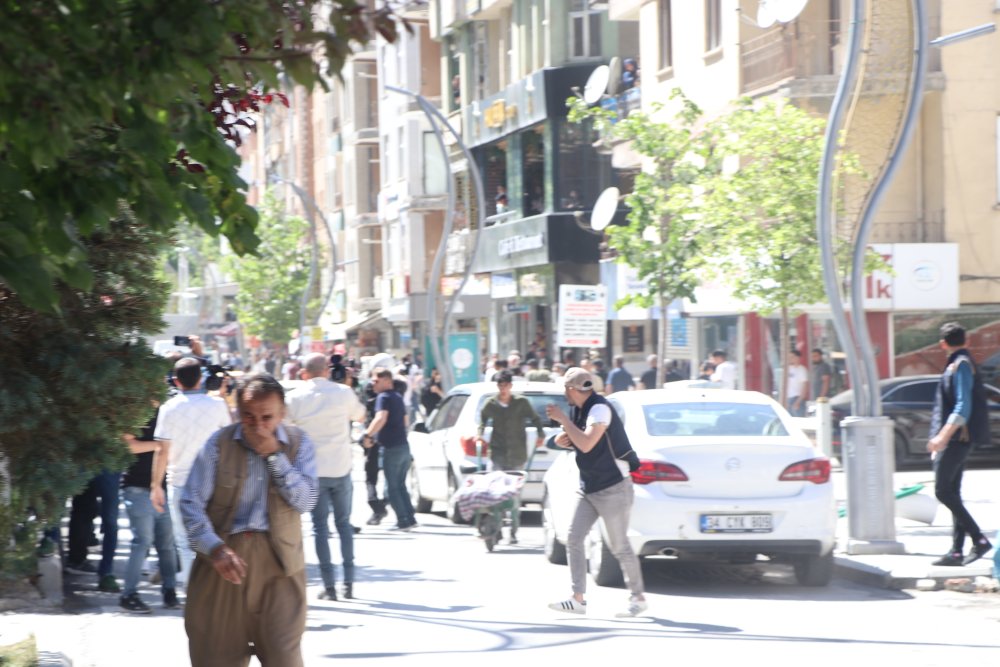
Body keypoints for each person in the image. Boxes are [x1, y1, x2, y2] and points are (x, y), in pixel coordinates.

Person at [180, 374, 318, 667]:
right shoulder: (218, 444)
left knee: (284, 656)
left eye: (267, 417)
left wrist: (274, 456)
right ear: (236, 412)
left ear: (283, 414)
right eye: (248, 416)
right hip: (222, 563)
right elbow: (191, 502)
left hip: (280, 566)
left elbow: (305, 501)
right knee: (215, 655)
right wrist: (214, 548)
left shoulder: (298, 443)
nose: (258, 425)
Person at [544, 368, 647, 618]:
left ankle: (638, 597)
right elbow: (579, 439)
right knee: (573, 538)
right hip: (590, 487)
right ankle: (577, 598)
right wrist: (563, 436)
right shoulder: (578, 409)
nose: (563, 394)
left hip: (613, 487)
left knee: (619, 545)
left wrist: (564, 423)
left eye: (565, 389)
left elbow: (588, 442)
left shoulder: (600, 409)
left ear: (571, 390)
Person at [285, 353, 367, 601]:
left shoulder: (295, 397)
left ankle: (329, 586)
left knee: (320, 529)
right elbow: (360, 415)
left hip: (312, 472)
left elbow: (285, 426)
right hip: (341, 468)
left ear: (305, 372)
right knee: (344, 525)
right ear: (328, 370)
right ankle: (349, 583)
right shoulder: (343, 392)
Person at [154, 357, 233, 590]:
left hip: (179, 483)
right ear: (201, 378)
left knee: (185, 541)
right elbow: (229, 443)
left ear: (176, 381)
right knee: (216, 538)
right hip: (214, 483)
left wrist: (155, 485)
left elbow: (162, 452)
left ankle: (193, 594)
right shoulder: (218, 406)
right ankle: (216, 592)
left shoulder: (168, 409)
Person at [927, 322, 993, 567]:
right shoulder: (958, 362)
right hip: (956, 439)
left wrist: (942, 437)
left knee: (942, 491)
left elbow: (962, 407)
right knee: (953, 493)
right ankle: (956, 551)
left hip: (956, 439)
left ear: (942, 344)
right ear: (966, 341)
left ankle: (979, 539)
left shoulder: (961, 364)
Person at [119, 409, 180, 613]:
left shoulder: (167, 411)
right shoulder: (135, 412)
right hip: (136, 488)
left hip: (160, 489)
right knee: (142, 542)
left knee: (167, 544)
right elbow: (127, 445)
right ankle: (128, 595)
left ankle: (170, 592)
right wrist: (158, 445)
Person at [476, 371, 546, 544]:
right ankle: (495, 526)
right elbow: (483, 421)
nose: (503, 389)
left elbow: (536, 419)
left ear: (511, 386)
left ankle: (514, 530)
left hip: (517, 454)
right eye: (500, 386)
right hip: (497, 453)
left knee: (513, 496)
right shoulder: (490, 404)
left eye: (506, 385)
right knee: (494, 492)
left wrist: (540, 434)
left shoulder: (521, 403)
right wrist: (479, 434)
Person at [362, 369, 416, 531]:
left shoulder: (383, 397)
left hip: (391, 448)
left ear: (387, 381)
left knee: (392, 488)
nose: (373, 384)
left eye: (376, 381)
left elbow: (380, 418)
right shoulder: (398, 397)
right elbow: (406, 421)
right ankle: (410, 518)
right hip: (403, 446)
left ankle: (403, 521)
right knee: (400, 485)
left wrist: (368, 434)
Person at [65, 469, 122, 593]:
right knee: (83, 509)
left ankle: (106, 573)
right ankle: (77, 560)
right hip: (86, 461)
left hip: (110, 463)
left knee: (110, 521)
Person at [785, 350, 808, 417]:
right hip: (788, 399)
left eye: (792, 357)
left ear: (797, 358)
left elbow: (805, 386)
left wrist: (798, 401)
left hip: (797, 398)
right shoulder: (788, 369)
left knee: (799, 420)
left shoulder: (802, 370)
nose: (790, 359)